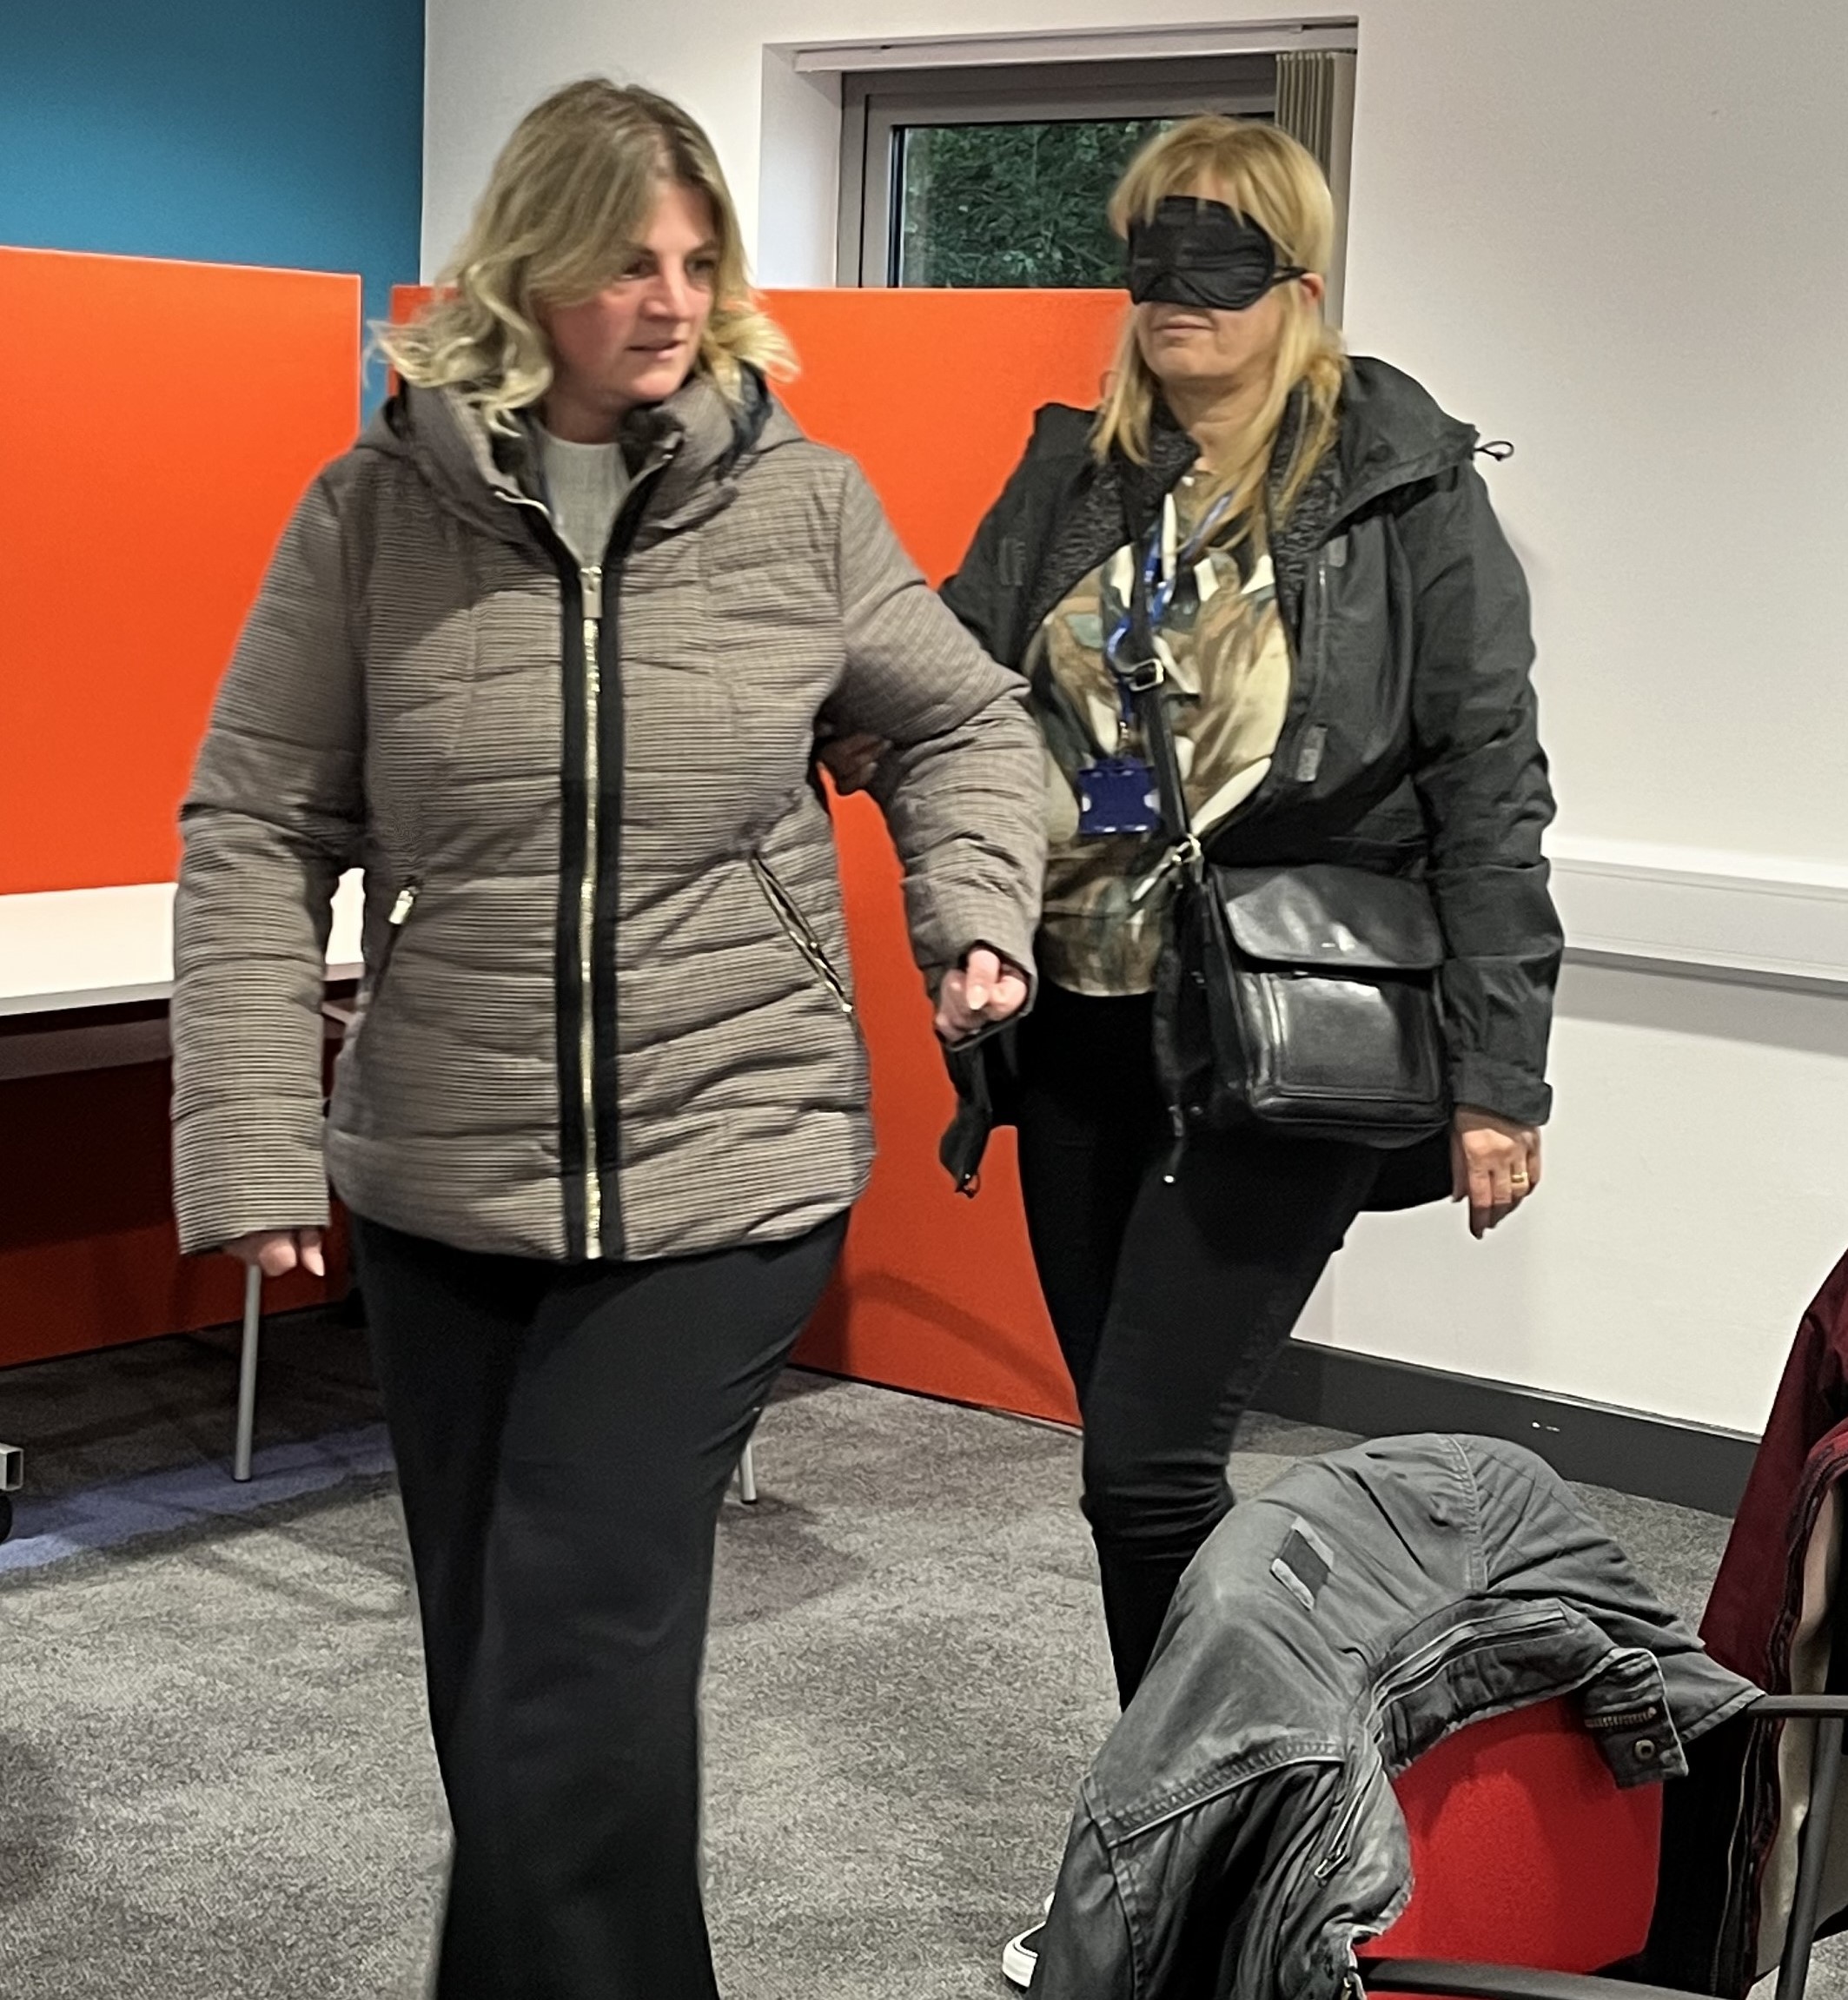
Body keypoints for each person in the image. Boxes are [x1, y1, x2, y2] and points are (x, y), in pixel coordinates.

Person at [168, 78, 1043, 2000]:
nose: (667, 297)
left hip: (725, 1164)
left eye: (696, 260)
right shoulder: (372, 517)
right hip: (440, 1172)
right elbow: (251, 824)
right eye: (625, 260)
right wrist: (244, 1139)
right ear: (524, 272)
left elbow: (967, 721)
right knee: (504, 1674)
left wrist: (970, 908)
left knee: (571, 1650)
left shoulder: (796, 505)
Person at [831, 115, 1563, 1990]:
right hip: (1077, 1024)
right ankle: (1233, 1849)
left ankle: (1193, 1888)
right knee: (1135, 1471)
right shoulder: (1076, 476)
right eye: (1148, 258)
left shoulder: (1398, 485)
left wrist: (1499, 1070)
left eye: (1216, 260)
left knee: (1142, 1469)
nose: (1172, 295)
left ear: (1297, 282)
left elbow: (1486, 783)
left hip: (1286, 1038)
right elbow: (952, 687)